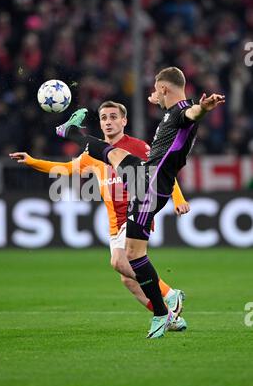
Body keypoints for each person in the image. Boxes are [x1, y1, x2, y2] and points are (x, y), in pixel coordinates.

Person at [54, 67, 225, 338]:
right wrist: (160, 99)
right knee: (110, 152)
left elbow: (193, 114)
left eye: (157, 90)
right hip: (146, 173)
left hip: (150, 186)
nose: (153, 94)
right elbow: (180, 111)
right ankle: (71, 131)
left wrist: (203, 108)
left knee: (133, 256)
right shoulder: (173, 109)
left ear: (166, 89)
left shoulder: (184, 111)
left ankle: (163, 309)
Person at [10, 100, 190, 330]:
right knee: (128, 278)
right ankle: (169, 319)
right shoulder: (93, 153)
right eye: (104, 118)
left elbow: (163, 172)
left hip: (136, 210)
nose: (108, 122)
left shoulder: (139, 147)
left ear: (124, 121)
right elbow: (66, 170)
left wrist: (179, 198)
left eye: (114, 117)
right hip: (114, 221)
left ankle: (171, 294)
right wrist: (32, 161)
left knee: (118, 261)